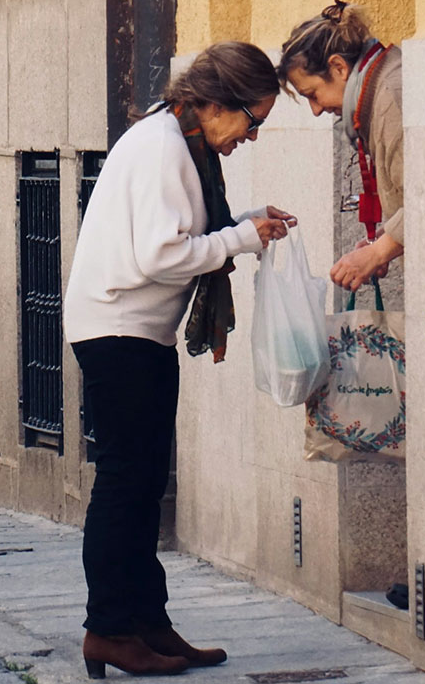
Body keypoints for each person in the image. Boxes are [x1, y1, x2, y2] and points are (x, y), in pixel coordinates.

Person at [63, 41, 296, 679]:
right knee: (125, 484)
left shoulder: (177, 142)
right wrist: (242, 238)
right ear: (219, 103)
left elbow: (184, 236)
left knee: (141, 486)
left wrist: (247, 223)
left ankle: (147, 623)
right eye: (253, 121)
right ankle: (109, 628)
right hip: (119, 330)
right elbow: (162, 255)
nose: (251, 137)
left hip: (137, 332)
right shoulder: (165, 146)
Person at [277, 0, 403, 292]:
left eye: (312, 94)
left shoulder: (390, 99)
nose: (316, 110)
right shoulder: (378, 90)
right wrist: (384, 242)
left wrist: (378, 251)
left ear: (338, 67)